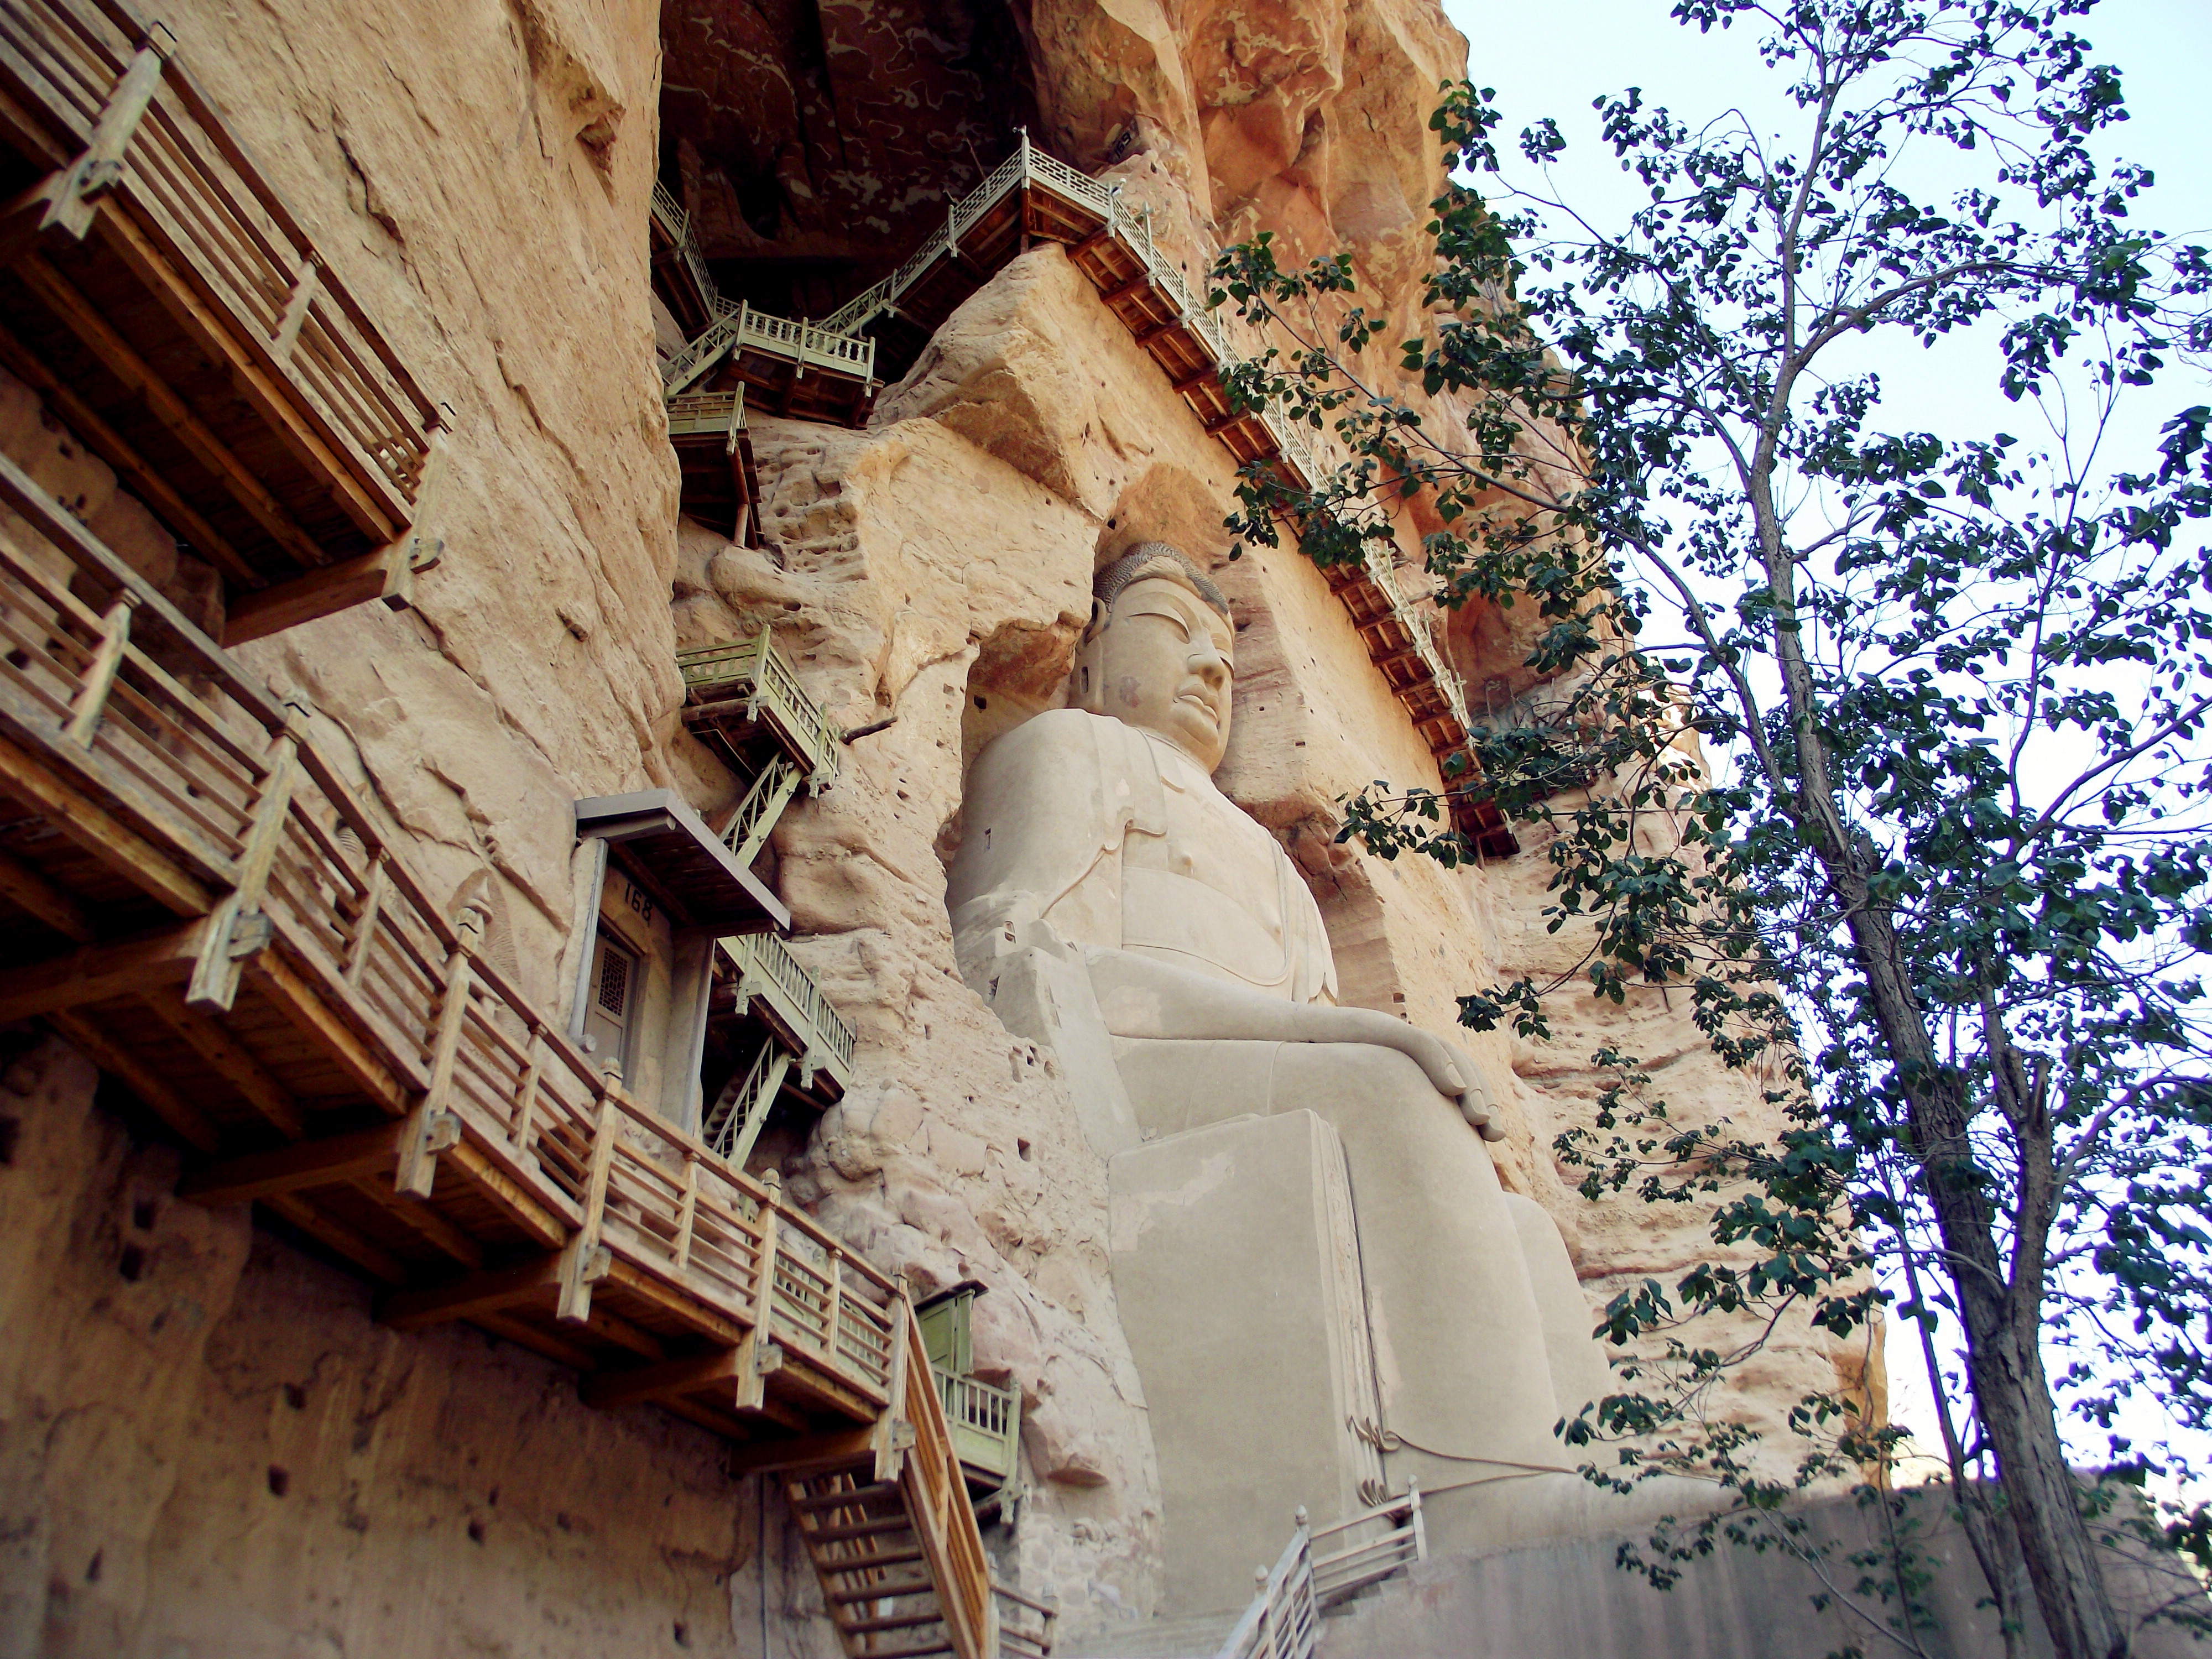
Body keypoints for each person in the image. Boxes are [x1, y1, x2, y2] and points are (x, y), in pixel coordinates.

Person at [948, 544, 1618, 1549]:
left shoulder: (1269, 860)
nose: (1212, 670)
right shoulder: (1070, 750)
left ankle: (1593, 1486)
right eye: (1175, 632)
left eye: (1225, 653)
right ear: (1087, 658)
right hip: (1123, 1064)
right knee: (1390, 1099)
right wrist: (1339, 1030)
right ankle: (1492, 1497)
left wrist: (1334, 1033)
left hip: (1258, 1066)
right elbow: (1024, 950)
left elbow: (1313, 1034)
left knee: (1518, 1223)